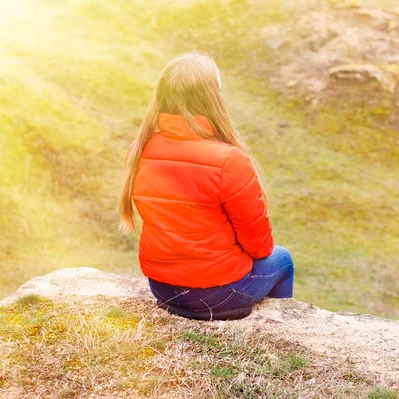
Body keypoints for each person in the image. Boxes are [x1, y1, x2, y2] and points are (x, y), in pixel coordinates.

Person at [118, 52, 294, 321]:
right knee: (284, 259)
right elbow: (260, 247)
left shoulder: (139, 150)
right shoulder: (229, 161)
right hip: (218, 293)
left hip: (162, 288)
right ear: (213, 98)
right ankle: (280, 330)